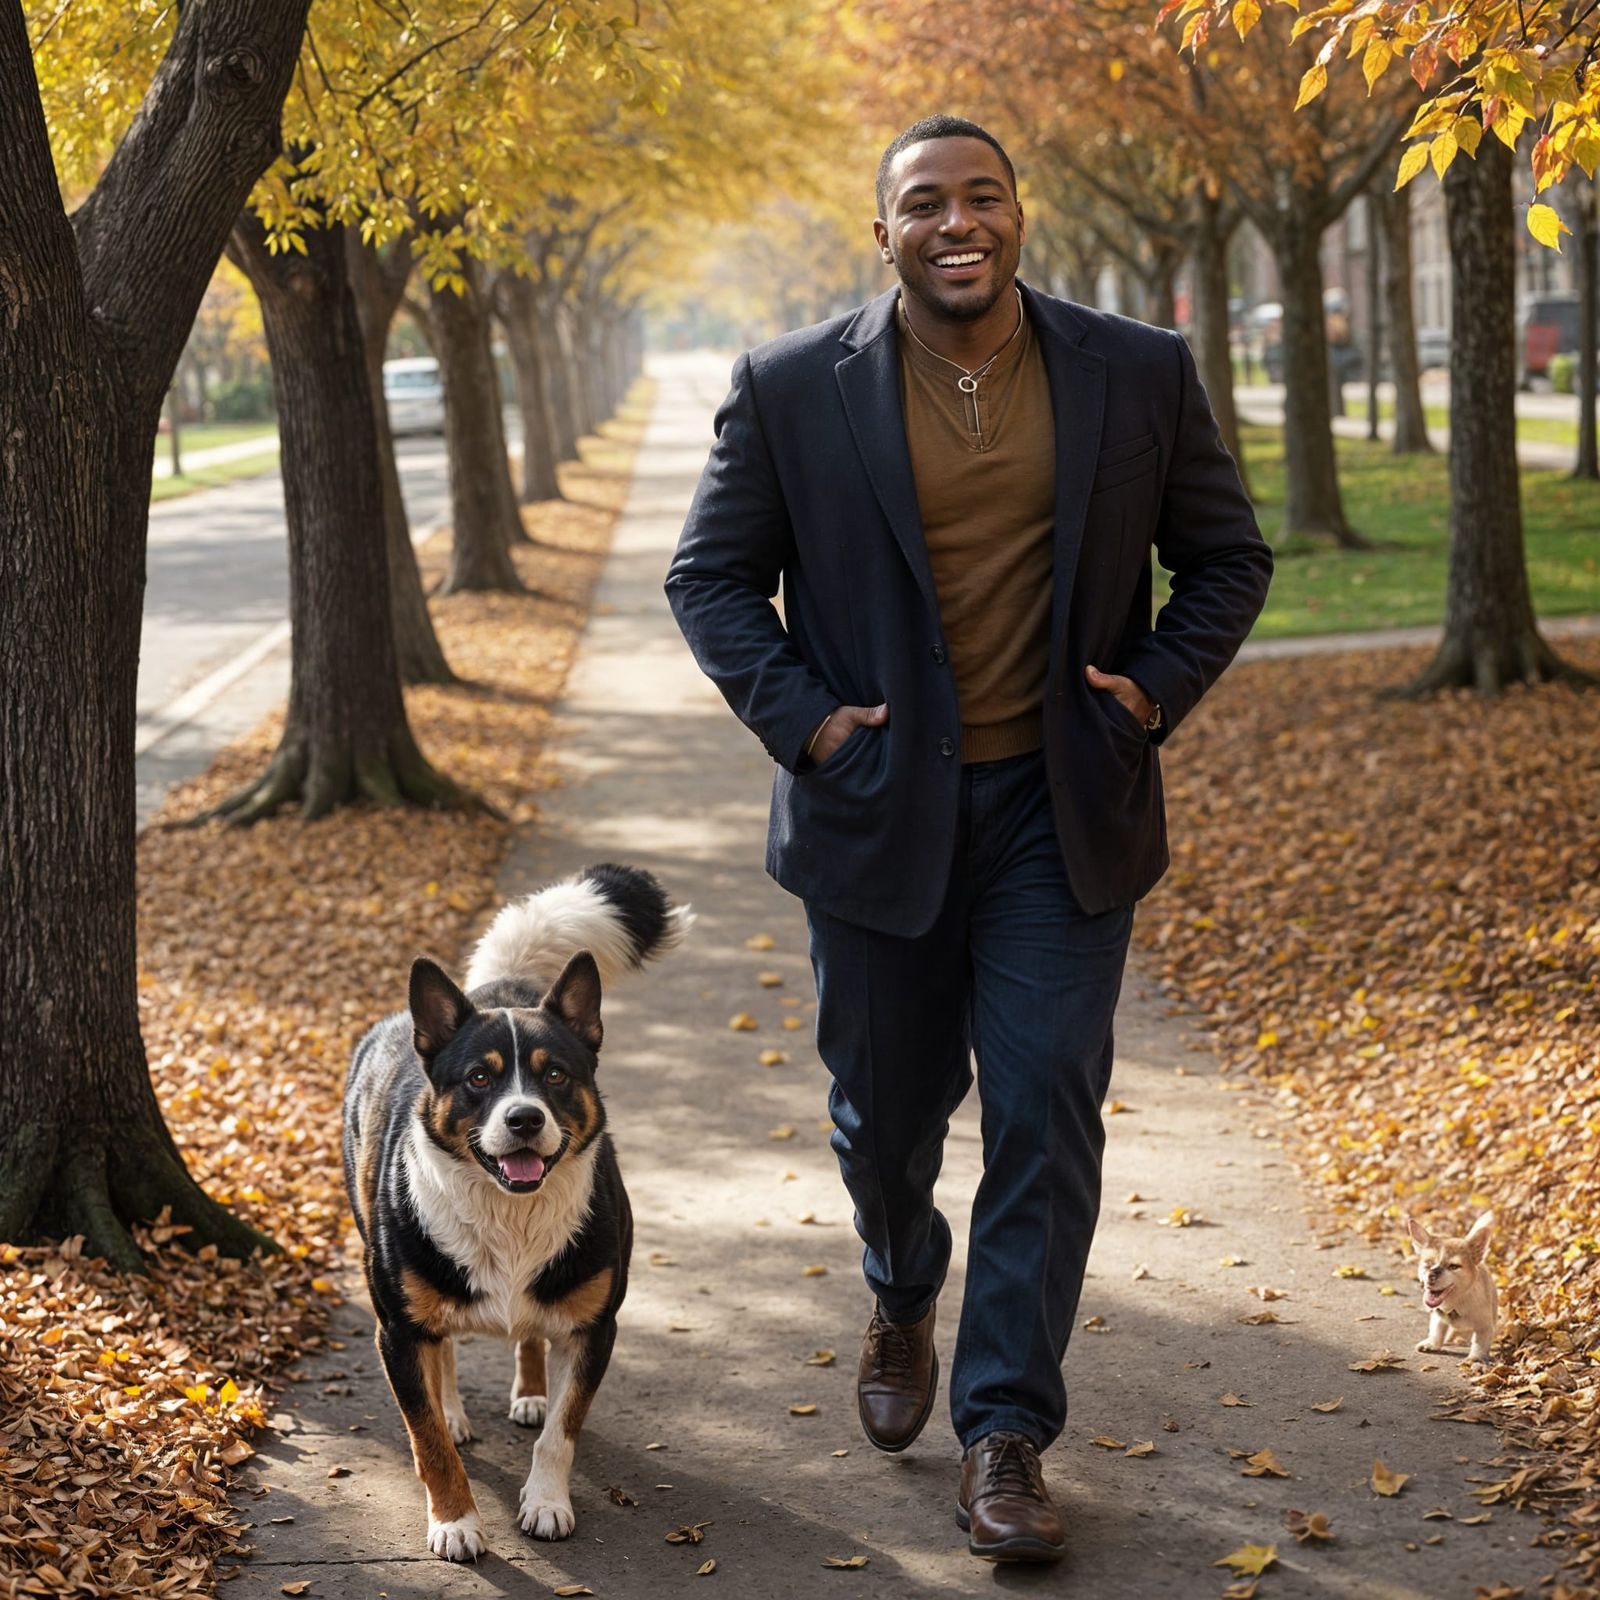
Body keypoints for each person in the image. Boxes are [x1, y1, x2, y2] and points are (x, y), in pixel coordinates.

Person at [664, 115, 1272, 1563]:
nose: (956, 222)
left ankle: (1005, 1434)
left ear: (1019, 214)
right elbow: (711, 580)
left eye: (980, 197)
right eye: (922, 202)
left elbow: (1229, 555)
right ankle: (897, 1279)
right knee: (883, 1112)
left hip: (1063, 813)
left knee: (1045, 1104)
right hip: (878, 822)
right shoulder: (793, 387)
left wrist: (1154, 693)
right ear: (881, 233)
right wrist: (808, 725)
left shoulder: (1135, 369)